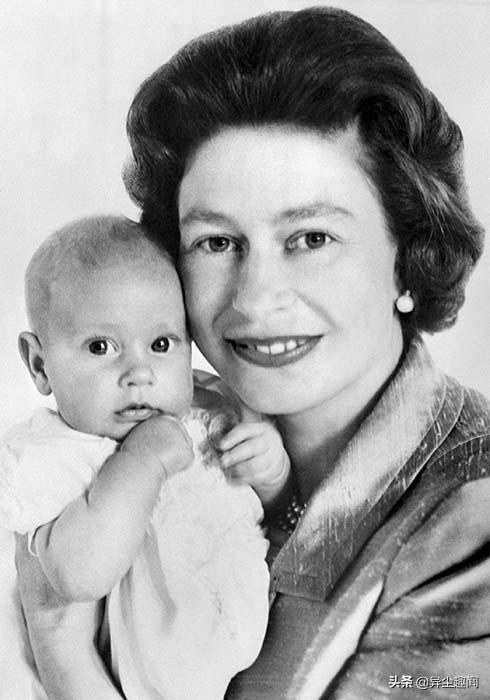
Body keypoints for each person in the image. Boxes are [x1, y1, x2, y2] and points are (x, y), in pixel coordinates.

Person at [17, 6, 489, 699]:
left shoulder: (473, 518)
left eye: (311, 238)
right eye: (216, 242)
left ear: (408, 258)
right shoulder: (151, 426)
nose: (255, 298)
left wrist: (58, 642)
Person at [2, 215, 292, 699]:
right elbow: (77, 576)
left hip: (253, 661)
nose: (139, 372)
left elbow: (280, 516)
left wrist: (271, 470)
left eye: (160, 344)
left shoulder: (209, 408)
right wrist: (142, 462)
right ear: (40, 364)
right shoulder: (55, 455)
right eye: (101, 347)